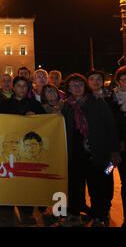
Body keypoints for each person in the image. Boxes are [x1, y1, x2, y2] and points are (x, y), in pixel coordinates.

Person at [61, 73, 121, 227]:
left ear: (85, 86)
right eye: (74, 85)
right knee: (75, 187)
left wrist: (114, 151)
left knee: (98, 187)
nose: (78, 87)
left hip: (96, 153)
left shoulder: (97, 102)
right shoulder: (67, 105)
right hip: (75, 154)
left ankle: (99, 216)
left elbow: (110, 126)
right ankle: (75, 215)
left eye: (80, 84)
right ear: (68, 88)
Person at [0, 76, 45, 226]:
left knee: (26, 179)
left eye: (24, 86)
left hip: (27, 150)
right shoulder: (5, 104)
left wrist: (36, 118)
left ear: (28, 88)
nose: (21, 89)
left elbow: (47, 123)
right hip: (9, 149)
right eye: (19, 86)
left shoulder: (35, 105)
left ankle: (27, 211)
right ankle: (5, 209)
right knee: (7, 179)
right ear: (13, 87)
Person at [105, 66, 126, 227]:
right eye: (124, 80)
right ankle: (104, 210)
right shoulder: (111, 99)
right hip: (113, 151)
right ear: (118, 81)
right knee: (106, 176)